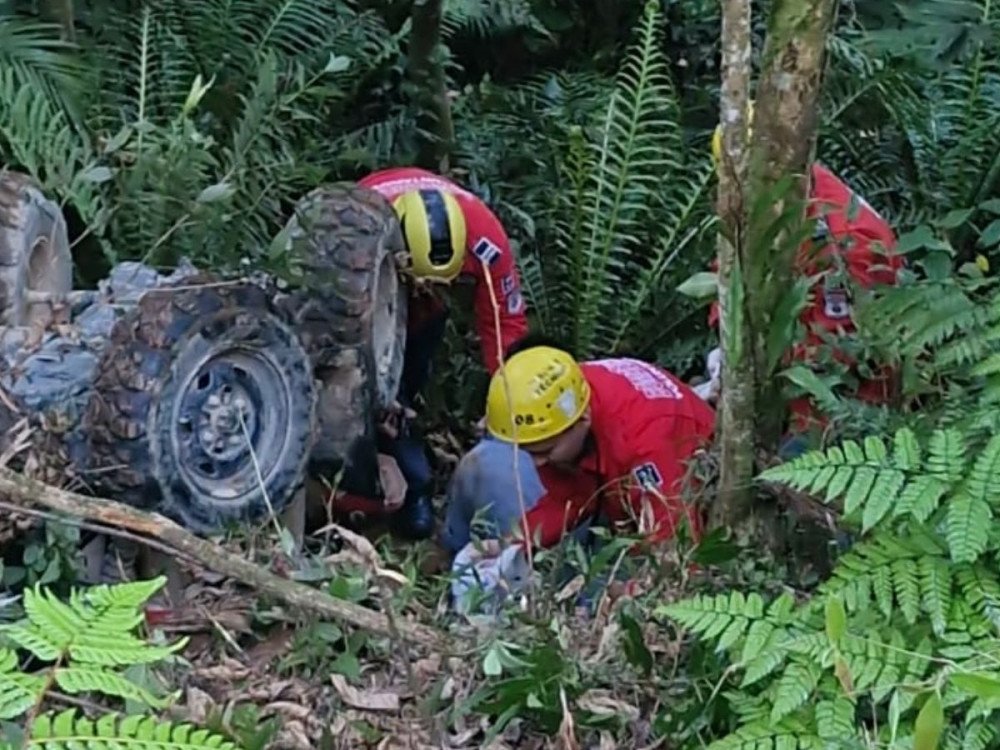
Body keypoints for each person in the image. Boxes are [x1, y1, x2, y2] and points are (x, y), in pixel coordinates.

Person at [325, 167, 530, 540]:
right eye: (421, 281)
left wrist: (509, 400)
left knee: (410, 377)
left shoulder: (487, 242)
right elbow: (333, 342)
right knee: (367, 389)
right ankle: (365, 480)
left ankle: (411, 481)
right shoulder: (356, 236)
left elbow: (506, 326)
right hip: (367, 299)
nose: (427, 289)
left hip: (423, 310)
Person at [701, 102, 904, 438]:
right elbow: (729, 272)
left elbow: (842, 353)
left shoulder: (845, 242)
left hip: (844, 412)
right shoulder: (781, 197)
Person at [482, 344, 716, 548]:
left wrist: (626, 592)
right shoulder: (565, 396)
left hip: (694, 486)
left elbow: (674, 545)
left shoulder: (644, 442)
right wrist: (509, 543)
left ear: (583, 421)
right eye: (525, 450)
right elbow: (566, 497)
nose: (535, 463)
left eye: (544, 451)